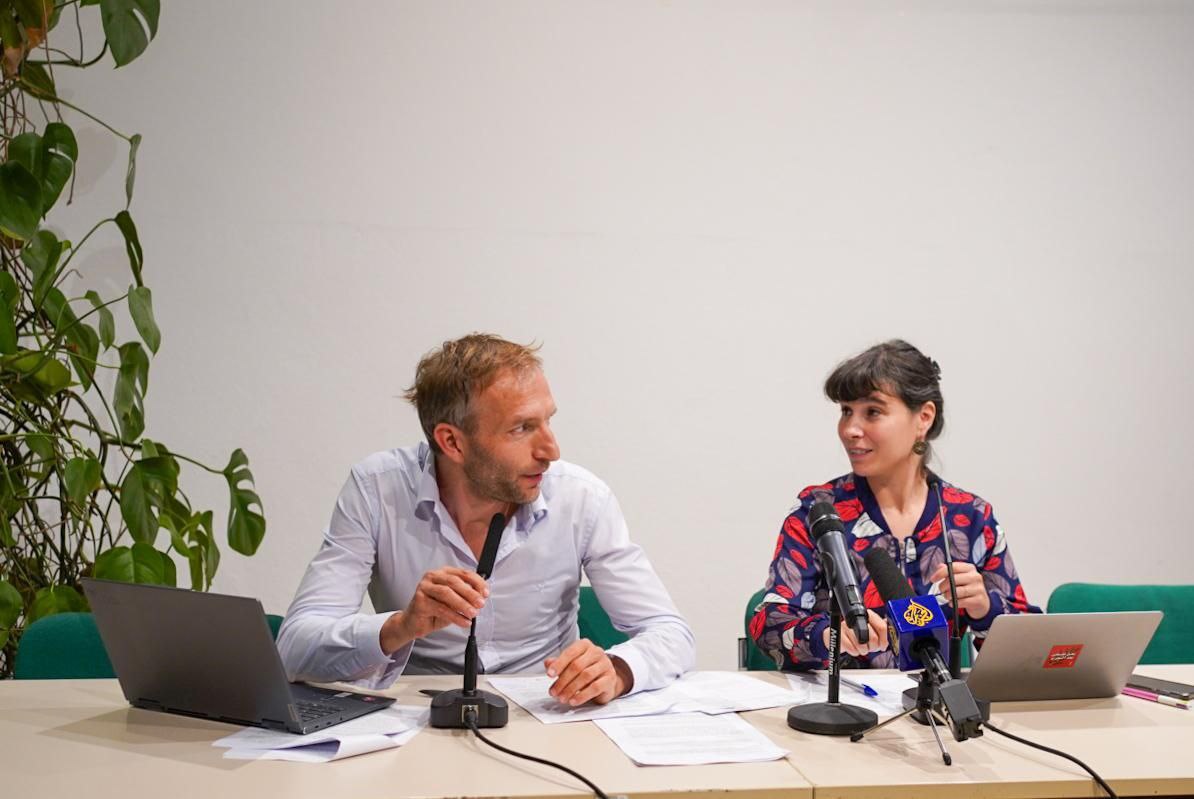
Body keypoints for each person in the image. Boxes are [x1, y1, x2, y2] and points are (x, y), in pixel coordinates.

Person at [277, 333, 694, 705]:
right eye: (521, 428)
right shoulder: (376, 490)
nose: (550, 450)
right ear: (452, 442)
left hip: (548, 714)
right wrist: (401, 626)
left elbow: (670, 633)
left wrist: (618, 669)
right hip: (420, 719)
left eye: (548, 420)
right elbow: (294, 648)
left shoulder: (582, 498)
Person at [750, 339, 1040, 670]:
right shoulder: (818, 510)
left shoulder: (970, 517)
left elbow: (1028, 649)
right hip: (847, 712)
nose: (850, 430)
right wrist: (827, 634)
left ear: (924, 418)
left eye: (872, 412)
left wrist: (986, 608)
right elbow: (769, 623)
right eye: (846, 411)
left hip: (937, 713)